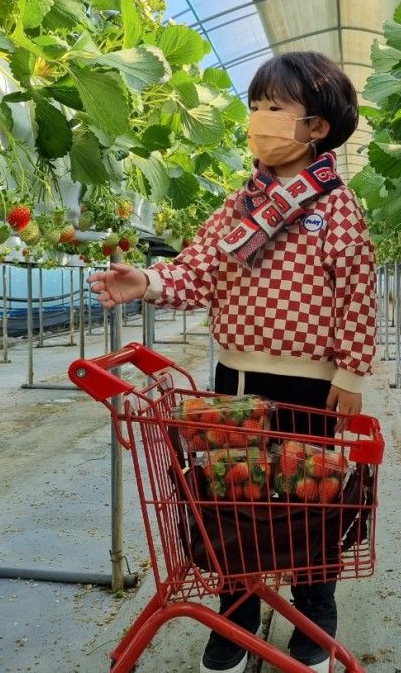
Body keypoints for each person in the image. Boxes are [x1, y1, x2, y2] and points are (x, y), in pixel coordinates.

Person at [87, 51, 377, 673]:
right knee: (231, 500)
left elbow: (357, 291)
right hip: (235, 380)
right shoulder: (240, 204)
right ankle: (234, 619)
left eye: (274, 109)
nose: (258, 120)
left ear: (316, 127)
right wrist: (145, 280)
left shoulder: (337, 207)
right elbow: (198, 271)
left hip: (310, 386)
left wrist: (351, 373)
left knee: (307, 501)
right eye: (254, 108)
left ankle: (313, 621)